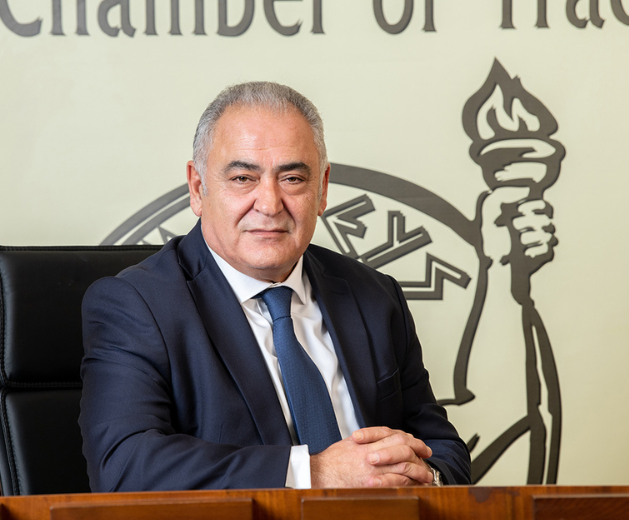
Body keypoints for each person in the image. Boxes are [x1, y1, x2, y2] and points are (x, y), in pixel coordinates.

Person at [79, 81, 471, 491]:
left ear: (322, 189)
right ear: (197, 188)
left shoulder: (374, 296)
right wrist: (315, 473)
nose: (269, 204)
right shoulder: (137, 305)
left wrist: (424, 477)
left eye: (293, 178)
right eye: (243, 178)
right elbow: (125, 467)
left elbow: (443, 448)